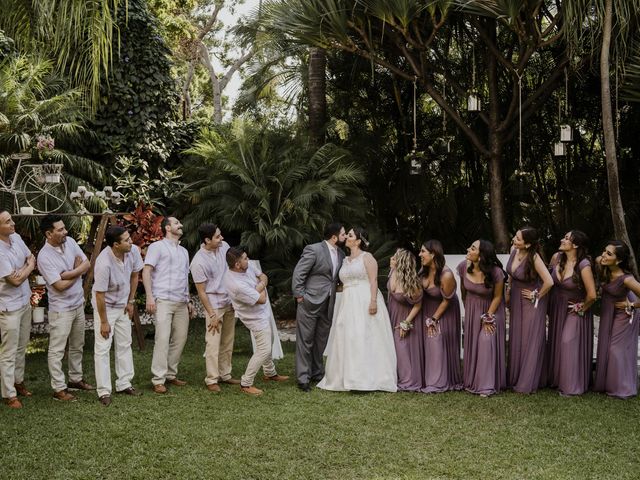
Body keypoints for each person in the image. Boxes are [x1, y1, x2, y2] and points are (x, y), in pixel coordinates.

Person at [318, 227, 397, 392]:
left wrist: (373, 301)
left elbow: (374, 281)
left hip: (364, 299)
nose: (346, 236)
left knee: (364, 335)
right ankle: (347, 376)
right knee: (348, 337)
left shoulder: (367, 258)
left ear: (359, 241)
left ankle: (366, 378)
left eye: (351, 235)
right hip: (347, 302)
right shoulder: (344, 259)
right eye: (347, 234)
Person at [37, 214, 94, 402]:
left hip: (78, 304)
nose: (65, 232)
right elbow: (58, 286)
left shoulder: (69, 242)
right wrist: (78, 273)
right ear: (48, 233)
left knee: (78, 345)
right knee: (57, 350)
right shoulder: (44, 257)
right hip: (61, 309)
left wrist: (68, 274)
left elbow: (87, 263)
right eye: (60, 229)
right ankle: (59, 389)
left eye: (64, 228)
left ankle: (75, 379)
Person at [223, 247, 288, 396]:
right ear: (237, 265)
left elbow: (262, 275)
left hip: (264, 313)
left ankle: (270, 373)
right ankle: (246, 383)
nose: (248, 260)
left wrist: (259, 285)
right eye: (245, 259)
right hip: (255, 318)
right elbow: (262, 298)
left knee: (268, 342)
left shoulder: (245, 266)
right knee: (263, 349)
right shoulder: (236, 284)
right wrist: (262, 285)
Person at [92, 226, 144, 406]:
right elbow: (99, 295)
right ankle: (104, 391)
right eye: (127, 240)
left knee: (124, 343)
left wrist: (131, 302)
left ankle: (124, 383)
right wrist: (104, 322)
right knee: (103, 347)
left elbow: (135, 275)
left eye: (130, 238)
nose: (131, 242)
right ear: (116, 245)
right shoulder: (103, 263)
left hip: (123, 304)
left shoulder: (133, 251)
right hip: (105, 307)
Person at [292, 223, 346, 392]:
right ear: (334, 237)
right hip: (309, 301)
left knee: (321, 340)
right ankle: (303, 378)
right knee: (305, 339)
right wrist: (300, 295)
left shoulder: (342, 254)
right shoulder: (313, 249)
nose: (345, 236)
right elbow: (299, 273)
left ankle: (317, 372)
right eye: (344, 234)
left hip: (329, 303)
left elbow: (336, 279)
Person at [143, 216, 193, 394]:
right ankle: (158, 379)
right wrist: (150, 297)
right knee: (162, 339)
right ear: (167, 228)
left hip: (181, 302)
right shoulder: (156, 247)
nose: (181, 225)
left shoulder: (184, 252)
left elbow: (184, 278)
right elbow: (146, 271)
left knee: (180, 338)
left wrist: (188, 301)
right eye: (177, 223)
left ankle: (171, 374)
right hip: (162, 299)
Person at [190, 223, 240, 392]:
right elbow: (201, 292)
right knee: (212, 343)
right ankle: (212, 379)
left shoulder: (224, 247)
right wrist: (211, 314)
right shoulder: (198, 262)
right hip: (214, 306)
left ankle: (225, 374)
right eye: (217, 236)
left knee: (228, 340)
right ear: (207, 240)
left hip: (229, 302)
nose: (222, 238)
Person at [546, 230, 596, 396]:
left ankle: (571, 386)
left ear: (575, 245)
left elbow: (592, 295)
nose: (562, 239)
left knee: (568, 343)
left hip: (574, 310)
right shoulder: (556, 258)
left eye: (566, 238)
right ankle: (557, 379)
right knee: (557, 343)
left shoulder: (583, 265)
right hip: (557, 307)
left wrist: (581, 308)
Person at [505, 227, 553, 394]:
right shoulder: (514, 250)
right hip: (516, 298)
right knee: (517, 337)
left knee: (528, 339)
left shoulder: (534, 257)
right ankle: (515, 377)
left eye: (518, 239)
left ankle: (528, 380)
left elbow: (549, 281)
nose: (514, 240)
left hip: (530, 301)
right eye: (515, 236)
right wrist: (509, 290)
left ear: (527, 244)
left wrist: (537, 295)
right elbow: (511, 274)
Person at [458, 240, 506, 397]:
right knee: (474, 345)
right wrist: (469, 311)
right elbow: (463, 292)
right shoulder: (463, 267)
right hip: (472, 310)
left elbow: (498, 297)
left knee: (485, 342)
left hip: (491, 311)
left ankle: (486, 386)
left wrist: (488, 317)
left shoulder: (496, 272)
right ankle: (472, 380)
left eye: (472, 248)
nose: (468, 249)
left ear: (481, 255)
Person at [593, 241, 640, 398]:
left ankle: (622, 388)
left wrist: (632, 304)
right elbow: (597, 259)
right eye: (605, 251)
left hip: (624, 312)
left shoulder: (626, 279)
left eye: (609, 254)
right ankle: (605, 382)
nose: (604, 255)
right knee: (605, 345)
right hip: (609, 309)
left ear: (619, 260)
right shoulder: (603, 264)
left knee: (615, 349)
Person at [0, 209, 36, 408]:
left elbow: (30, 257)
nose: (13, 223)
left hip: (24, 301)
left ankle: (18, 381)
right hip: (9, 306)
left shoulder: (16, 237)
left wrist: (22, 270)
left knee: (22, 346)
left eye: (11, 219)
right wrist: (27, 268)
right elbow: (14, 280)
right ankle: (9, 394)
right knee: (9, 350)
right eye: (7, 222)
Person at [419, 240, 462, 393]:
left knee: (436, 341)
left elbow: (447, 300)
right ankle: (427, 377)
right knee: (429, 343)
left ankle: (438, 382)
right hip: (428, 308)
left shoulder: (447, 274)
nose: (420, 254)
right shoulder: (423, 271)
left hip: (445, 310)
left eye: (423, 251)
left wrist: (434, 319)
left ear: (433, 254)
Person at [387, 248, 423, 391]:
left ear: (401, 262)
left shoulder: (413, 282)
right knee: (394, 348)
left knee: (403, 347)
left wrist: (406, 323)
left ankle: (408, 380)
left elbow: (418, 305)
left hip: (406, 317)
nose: (391, 259)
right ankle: (395, 377)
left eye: (394, 258)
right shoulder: (392, 273)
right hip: (392, 313)